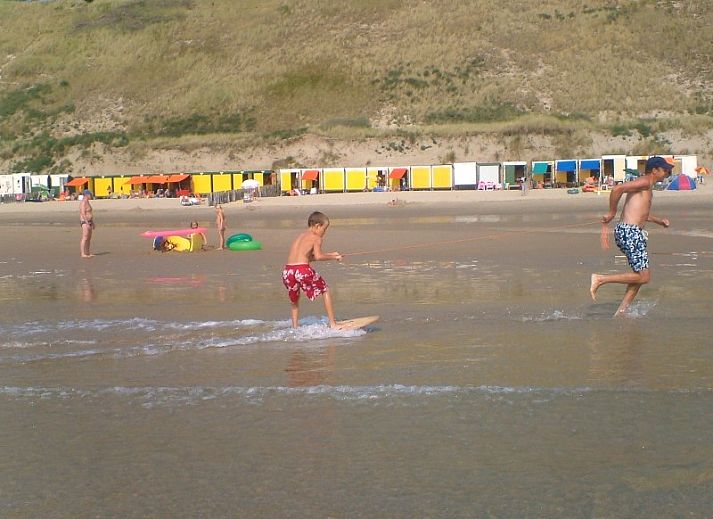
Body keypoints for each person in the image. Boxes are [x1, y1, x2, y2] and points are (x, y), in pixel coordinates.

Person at [590, 156, 674, 316]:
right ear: (654, 170)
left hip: (632, 233)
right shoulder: (645, 182)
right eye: (666, 170)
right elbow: (617, 189)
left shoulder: (647, 186)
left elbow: (642, 214)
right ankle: (600, 279)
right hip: (629, 232)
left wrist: (659, 221)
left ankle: (621, 312)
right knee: (644, 276)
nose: (668, 174)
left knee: (639, 276)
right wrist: (612, 212)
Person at [282, 211, 342, 328]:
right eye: (324, 229)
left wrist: (332, 254)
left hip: (288, 271)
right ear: (317, 226)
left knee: (294, 300)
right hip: (302, 270)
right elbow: (318, 257)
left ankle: (295, 327)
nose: (324, 232)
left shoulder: (300, 236)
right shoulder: (316, 238)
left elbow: (308, 258)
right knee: (325, 289)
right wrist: (334, 257)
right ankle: (333, 323)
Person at [79, 189, 95, 258]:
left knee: (89, 238)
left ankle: (87, 252)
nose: (91, 196)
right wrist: (86, 222)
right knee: (85, 237)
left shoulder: (87, 201)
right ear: (87, 195)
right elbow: (83, 213)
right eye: (90, 194)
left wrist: (92, 222)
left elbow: (89, 212)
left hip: (90, 221)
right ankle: (83, 253)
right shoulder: (83, 202)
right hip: (85, 222)